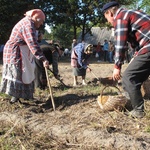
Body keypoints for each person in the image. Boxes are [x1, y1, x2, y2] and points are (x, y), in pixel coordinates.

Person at [102, 1, 150, 118]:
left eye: (107, 18)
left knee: (129, 77)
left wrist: (117, 67)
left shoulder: (120, 17)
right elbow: (139, 39)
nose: (108, 21)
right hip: (147, 47)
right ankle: (129, 100)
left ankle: (138, 111)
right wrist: (136, 56)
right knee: (137, 76)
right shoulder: (132, 13)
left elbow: (120, 44)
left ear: (110, 13)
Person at [0, 9, 49, 103]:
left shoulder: (30, 24)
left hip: (23, 51)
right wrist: (43, 58)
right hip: (15, 52)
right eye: (42, 21)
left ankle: (26, 95)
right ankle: (15, 97)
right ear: (37, 18)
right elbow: (32, 43)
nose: (42, 23)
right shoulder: (28, 24)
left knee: (28, 71)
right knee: (18, 73)